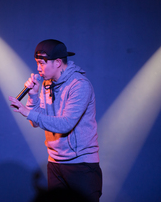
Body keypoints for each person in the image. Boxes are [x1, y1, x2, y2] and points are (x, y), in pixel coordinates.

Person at [9, 39, 102, 202]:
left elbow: (65, 124)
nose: (38, 68)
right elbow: (36, 122)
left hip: (80, 164)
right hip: (54, 162)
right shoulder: (47, 84)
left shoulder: (79, 85)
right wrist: (32, 97)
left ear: (58, 62)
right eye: (37, 63)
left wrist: (26, 111)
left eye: (42, 63)